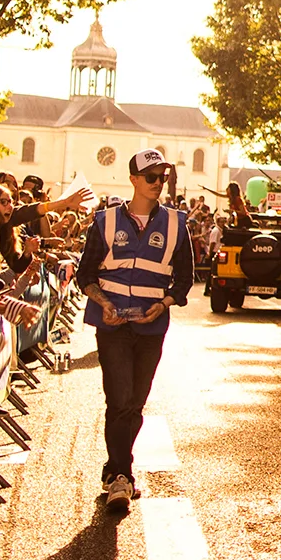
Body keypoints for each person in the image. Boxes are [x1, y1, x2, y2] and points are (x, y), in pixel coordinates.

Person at [81, 148, 195, 514]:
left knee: (135, 403)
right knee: (119, 399)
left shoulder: (177, 224)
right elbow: (85, 275)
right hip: (112, 324)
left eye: (163, 177)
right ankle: (122, 476)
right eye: (151, 177)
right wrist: (103, 302)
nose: (158, 183)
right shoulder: (104, 221)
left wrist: (164, 304)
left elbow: (185, 280)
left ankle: (114, 467)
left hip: (151, 326)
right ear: (133, 179)